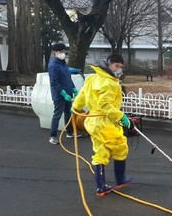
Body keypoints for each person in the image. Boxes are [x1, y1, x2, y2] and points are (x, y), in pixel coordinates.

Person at [72, 53, 133, 197]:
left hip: (93, 122)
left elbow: (81, 95)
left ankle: (101, 187)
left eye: (121, 67)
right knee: (120, 147)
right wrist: (121, 117)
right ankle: (120, 179)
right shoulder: (110, 83)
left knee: (100, 151)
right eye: (116, 66)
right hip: (105, 122)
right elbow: (105, 105)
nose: (118, 69)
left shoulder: (92, 79)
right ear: (108, 64)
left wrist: (75, 106)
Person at [48, 43, 80, 145]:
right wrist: (63, 93)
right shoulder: (53, 65)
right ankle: (53, 136)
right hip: (59, 95)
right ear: (54, 52)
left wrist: (73, 88)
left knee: (68, 113)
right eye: (60, 51)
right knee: (57, 115)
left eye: (63, 51)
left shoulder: (63, 63)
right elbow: (54, 82)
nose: (62, 53)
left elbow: (68, 78)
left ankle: (69, 132)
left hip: (68, 92)